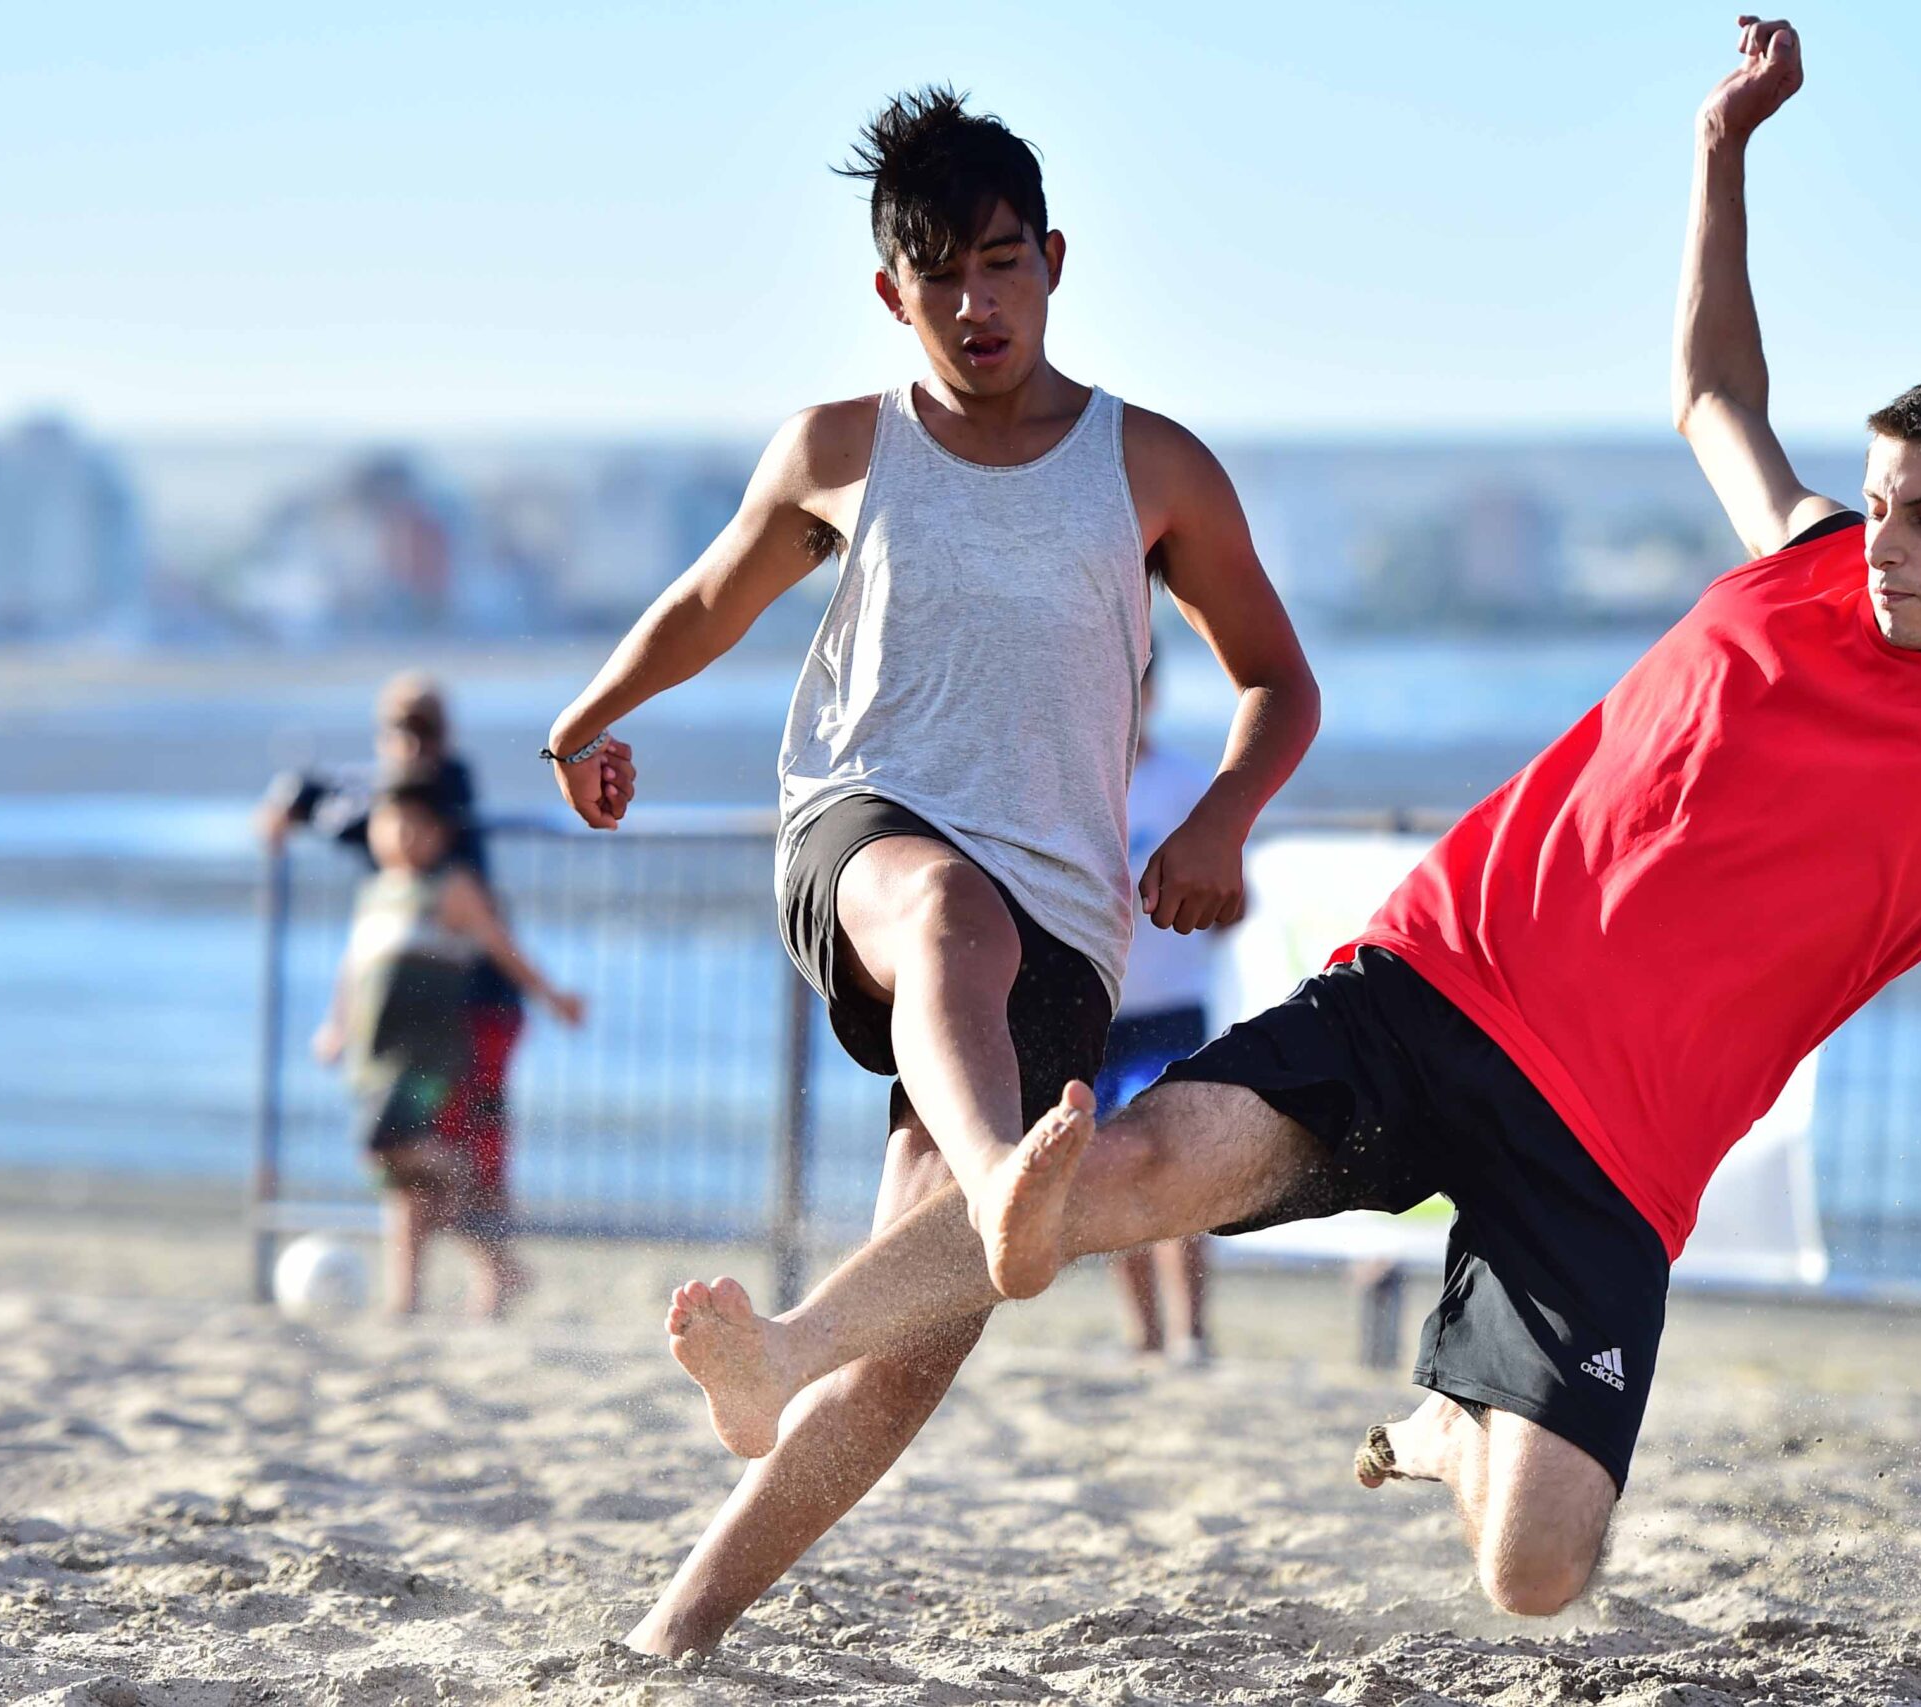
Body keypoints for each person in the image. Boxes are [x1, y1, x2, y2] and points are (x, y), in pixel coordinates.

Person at [653, 17, 1921, 1621]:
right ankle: (791, 1348)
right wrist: (1720, 155)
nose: (1883, 541)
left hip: (1612, 1154)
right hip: (1434, 992)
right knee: (1108, 1176)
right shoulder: (1794, 564)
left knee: (1537, 1568)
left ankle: (1454, 1416)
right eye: (1877, 499)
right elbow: (1711, 388)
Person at [537, 89, 1317, 1656]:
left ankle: (672, 1628)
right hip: (865, 836)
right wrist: (593, 713)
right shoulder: (845, 447)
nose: (978, 303)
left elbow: (1277, 683)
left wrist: (1222, 817)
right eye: (942, 274)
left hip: (1068, 916)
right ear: (891, 291)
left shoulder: (1151, 465)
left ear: (1055, 262)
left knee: (915, 1317)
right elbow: (709, 597)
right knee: (943, 909)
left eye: (1005, 263)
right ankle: (1002, 1182)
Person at [259, 673, 530, 1251]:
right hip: (411, 1012)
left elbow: (356, 810)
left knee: (469, 1146)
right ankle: (414, 1292)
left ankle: (495, 1274)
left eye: (422, 729)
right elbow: (348, 801)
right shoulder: (391, 798)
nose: (411, 742)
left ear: (444, 734)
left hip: (474, 1002)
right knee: (406, 1149)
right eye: (399, 729)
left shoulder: (445, 788)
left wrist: (302, 802)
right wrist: (294, 795)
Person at [311, 776, 584, 1316]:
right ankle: (423, 1292)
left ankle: (460, 1180)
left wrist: (553, 996)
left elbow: (502, 947)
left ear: (440, 834)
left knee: (386, 1145)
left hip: (429, 1053)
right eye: (393, 824)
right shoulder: (374, 893)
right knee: (400, 1175)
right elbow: (353, 966)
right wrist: (335, 1026)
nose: (404, 836)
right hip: (376, 1055)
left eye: (418, 825)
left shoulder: (451, 887)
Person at [1101, 665, 1223, 1363]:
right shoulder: (1075, 778)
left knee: (1180, 1168)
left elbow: (1234, 899)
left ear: (1152, 695)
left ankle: (1192, 1332)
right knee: (1111, 1168)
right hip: (1096, 1008)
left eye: (1136, 686)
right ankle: (1142, 1333)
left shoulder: (1185, 782)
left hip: (1172, 1006)